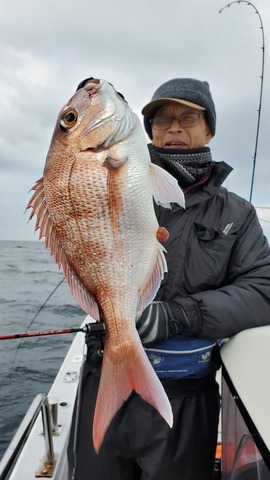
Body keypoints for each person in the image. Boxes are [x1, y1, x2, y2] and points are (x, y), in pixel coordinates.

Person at [68, 77, 270, 480]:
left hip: (185, 396)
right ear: (147, 131)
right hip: (102, 377)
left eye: (187, 117)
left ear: (209, 128)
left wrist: (178, 317)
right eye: (161, 120)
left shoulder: (236, 213)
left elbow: (263, 289)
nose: (173, 128)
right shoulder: (125, 176)